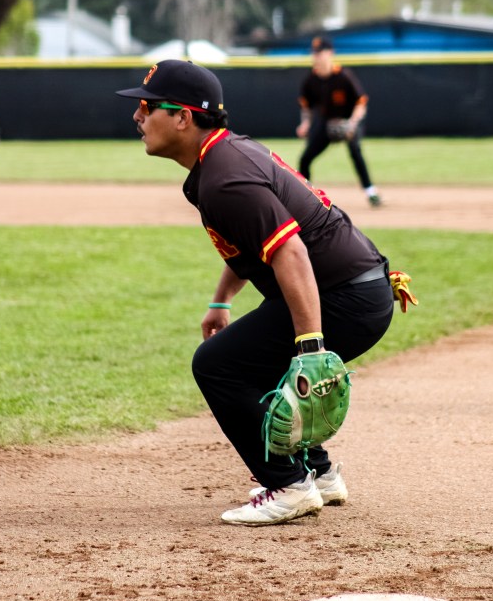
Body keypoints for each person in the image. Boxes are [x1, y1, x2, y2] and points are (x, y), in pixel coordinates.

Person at [117, 59, 395, 527]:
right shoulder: (220, 160)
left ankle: (288, 485)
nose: (137, 117)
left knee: (217, 365)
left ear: (183, 116)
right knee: (245, 357)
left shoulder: (225, 176)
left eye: (147, 106)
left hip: (343, 297)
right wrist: (221, 300)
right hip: (352, 291)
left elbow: (290, 252)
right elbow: (254, 245)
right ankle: (318, 474)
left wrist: (309, 347)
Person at [297, 35, 382, 207]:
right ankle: (305, 196)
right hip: (326, 122)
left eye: (320, 53)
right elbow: (306, 107)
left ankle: (370, 191)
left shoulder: (344, 76)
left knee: (355, 151)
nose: (316, 56)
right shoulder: (311, 80)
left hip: (349, 120)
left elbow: (361, 103)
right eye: (314, 53)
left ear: (330, 53)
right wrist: (305, 123)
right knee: (305, 158)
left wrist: (352, 123)